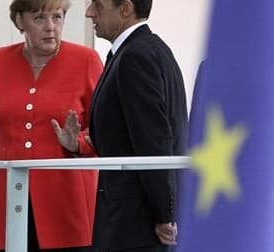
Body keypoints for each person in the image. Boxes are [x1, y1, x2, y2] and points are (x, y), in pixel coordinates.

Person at [0, 0, 103, 251]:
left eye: (58, 17)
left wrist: (78, 143)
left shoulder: (86, 60)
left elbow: (107, 132)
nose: (51, 27)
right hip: (7, 204)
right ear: (20, 21)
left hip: (68, 208)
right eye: (40, 18)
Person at [85, 0, 188, 251]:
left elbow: (154, 140)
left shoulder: (135, 56)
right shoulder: (148, 50)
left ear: (126, 8)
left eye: (98, 5)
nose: (89, 12)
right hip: (138, 220)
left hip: (137, 225)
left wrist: (165, 215)